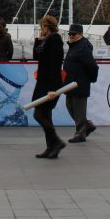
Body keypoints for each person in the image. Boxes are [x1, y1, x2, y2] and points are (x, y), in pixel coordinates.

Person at [32, 14, 66, 159]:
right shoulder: (47, 41)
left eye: (42, 27)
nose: (41, 29)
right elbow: (36, 56)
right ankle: (51, 147)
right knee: (45, 114)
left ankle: (56, 142)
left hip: (49, 83)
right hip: (43, 82)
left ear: (47, 27)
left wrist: (52, 89)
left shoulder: (55, 41)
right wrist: (38, 40)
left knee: (39, 114)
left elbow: (54, 65)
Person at [63, 24, 98, 143]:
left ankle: (80, 134)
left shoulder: (83, 48)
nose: (71, 36)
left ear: (81, 34)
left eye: (73, 34)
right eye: (70, 33)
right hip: (70, 83)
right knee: (70, 107)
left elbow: (92, 66)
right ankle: (87, 125)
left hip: (79, 84)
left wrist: (90, 79)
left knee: (79, 110)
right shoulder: (75, 46)